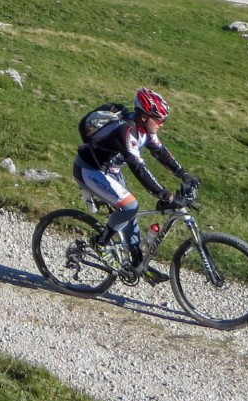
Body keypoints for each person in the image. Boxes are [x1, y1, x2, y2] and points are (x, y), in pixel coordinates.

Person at [73, 88, 194, 283]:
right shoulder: (127, 130)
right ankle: (102, 243)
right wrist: (166, 195)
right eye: (159, 119)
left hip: (111, 171)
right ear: (145, 116)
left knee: (131, 217)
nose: (162, 124)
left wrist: (185, 175)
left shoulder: (145, 130)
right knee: (130, 206)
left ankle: (136, 263)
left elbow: (161, 153)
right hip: (89, 170)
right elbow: (139, 168)